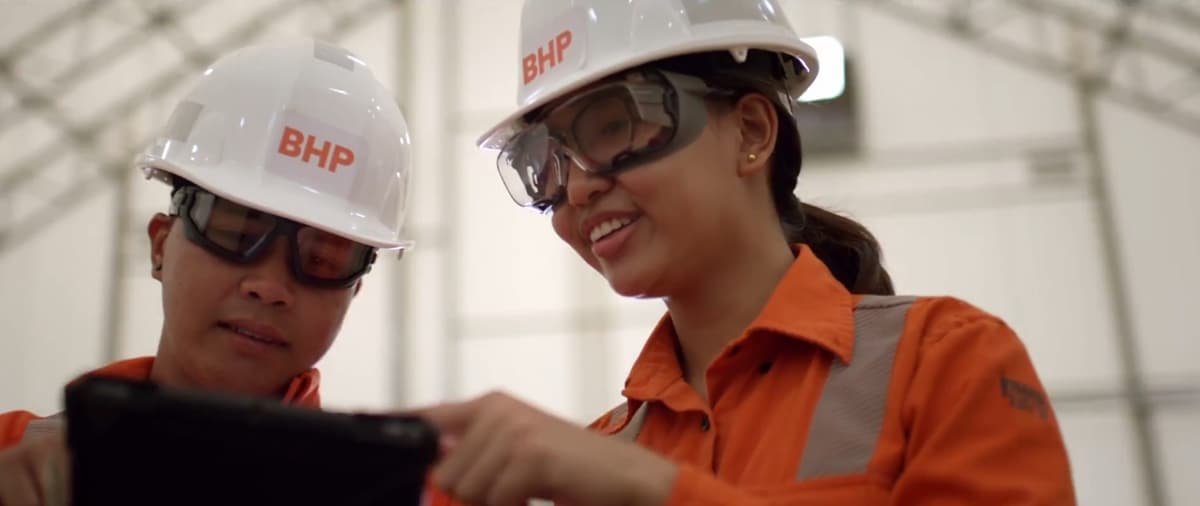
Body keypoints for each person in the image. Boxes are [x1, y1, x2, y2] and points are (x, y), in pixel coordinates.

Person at [418, 1, 1077, 505]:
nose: (580, 187)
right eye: (547, 163)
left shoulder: (941, 363)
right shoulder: (602, 454)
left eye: (612, 126)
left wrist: (652, 490)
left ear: (753, 132)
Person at [0, 39, 415, 504]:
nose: (270, 287)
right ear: (161, 245)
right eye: (235, 233)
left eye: (321, 259)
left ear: (353, 292)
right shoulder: (10, 462)